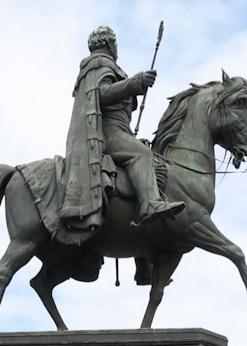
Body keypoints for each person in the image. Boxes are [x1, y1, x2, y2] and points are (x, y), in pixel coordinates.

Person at [60, 26, 182, 233]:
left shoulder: (100, 67)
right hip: (108, 133)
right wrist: (134, 83)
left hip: (120, 131)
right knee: (141, 154)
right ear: (110, 44)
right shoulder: (99, 64)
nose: (116, 49)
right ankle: (150, 204)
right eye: (115, 44)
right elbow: (102, 93)